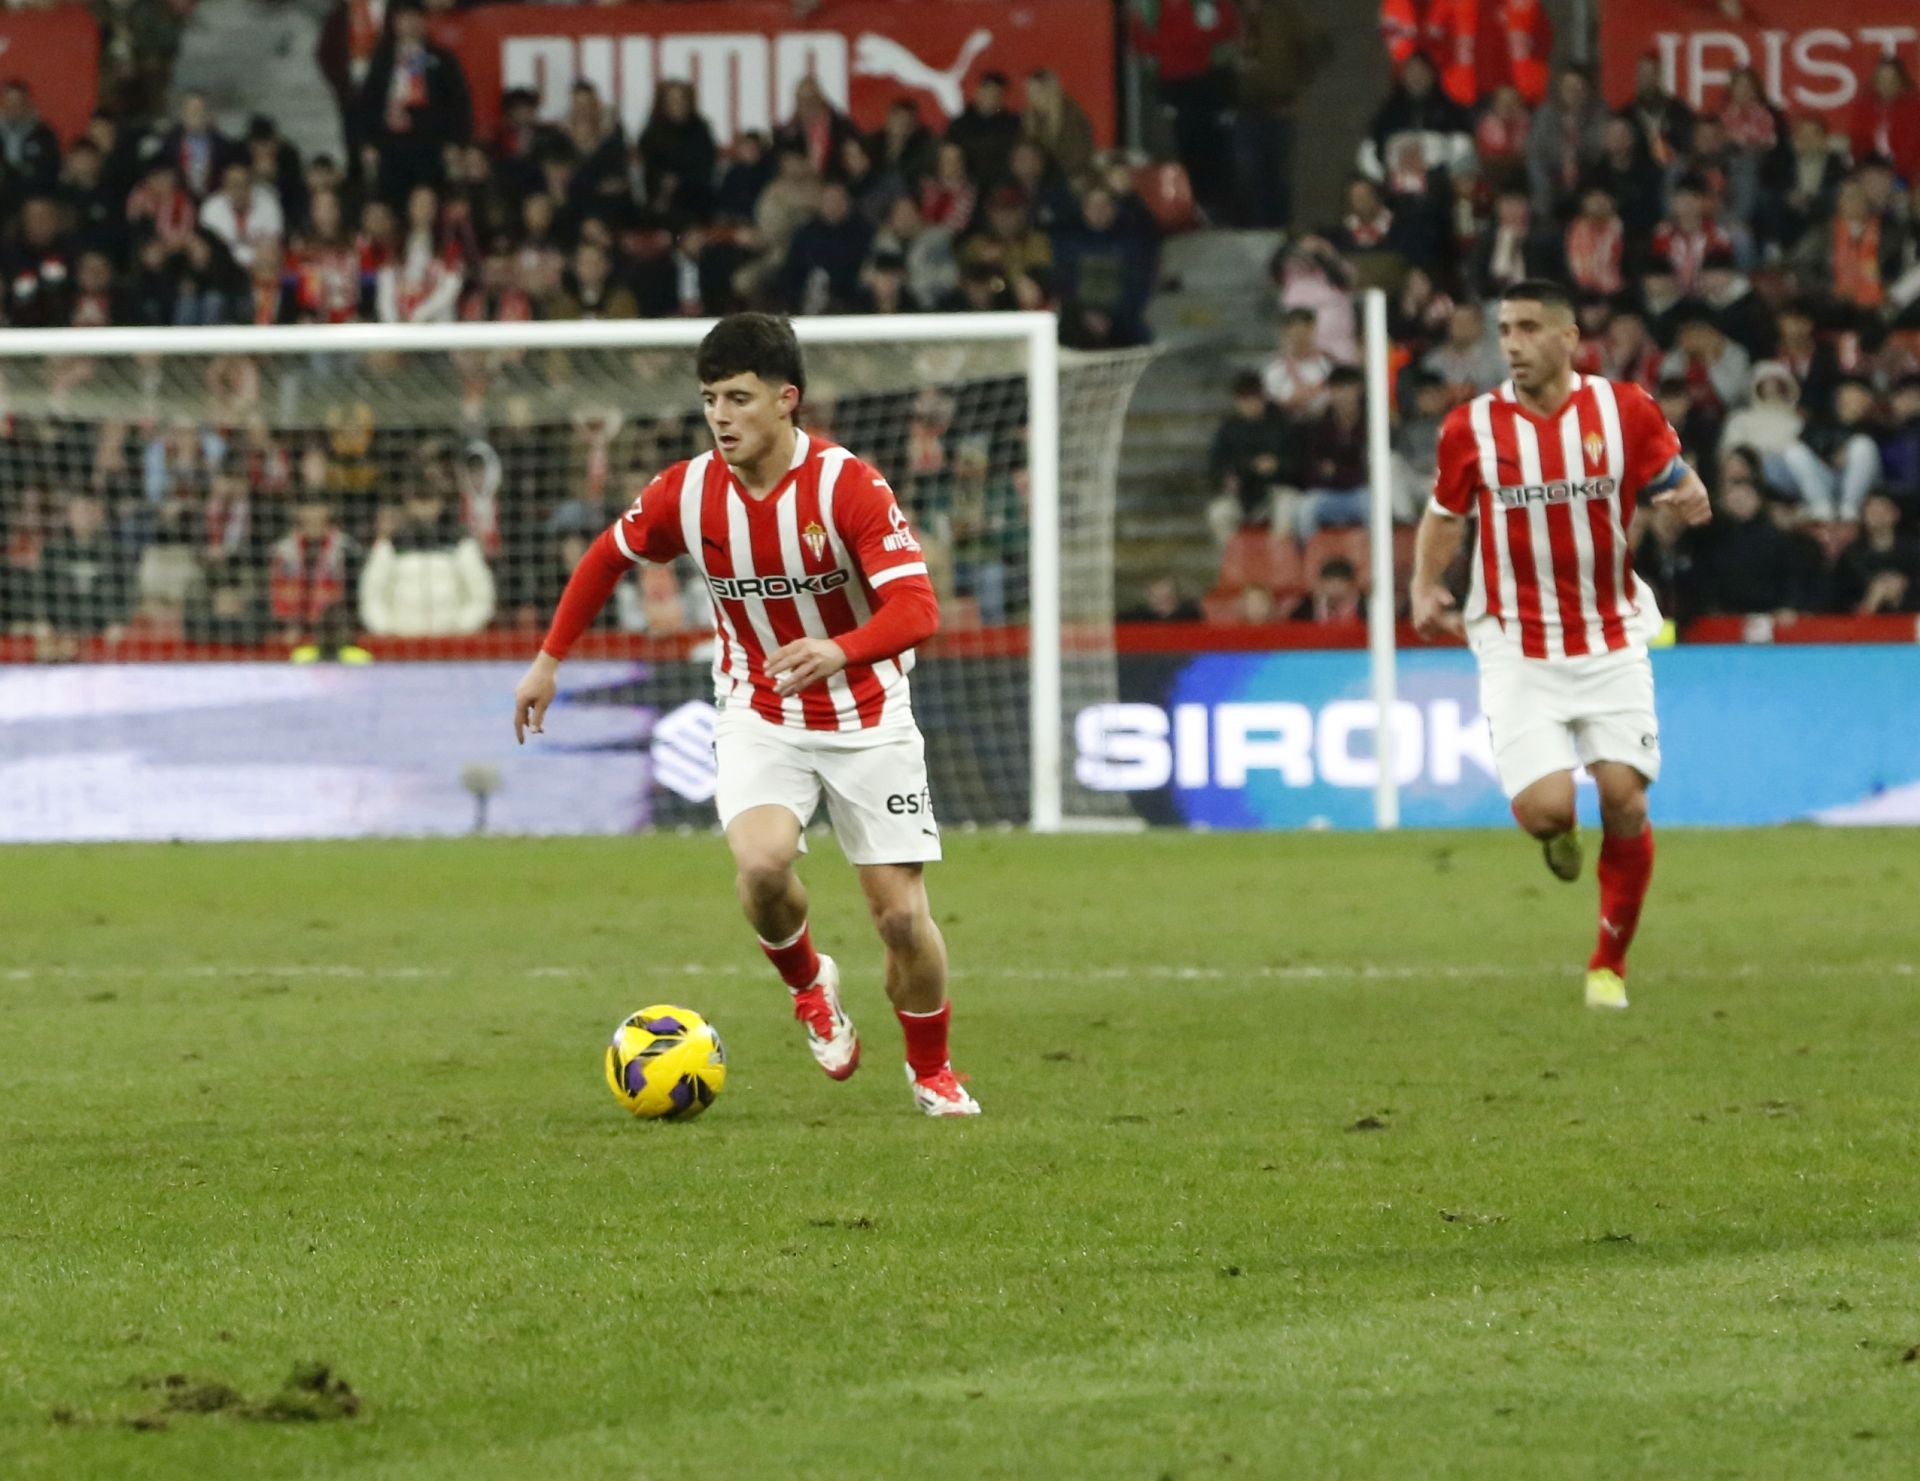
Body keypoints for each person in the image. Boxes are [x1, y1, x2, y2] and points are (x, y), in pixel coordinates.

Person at [511, 314, 979, 1118]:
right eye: (709, 400)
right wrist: (551, 656)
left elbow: (917, 606)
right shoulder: (685, 491)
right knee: (762, 868)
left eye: (739, 397)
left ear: (786, 400)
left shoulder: (849, 486)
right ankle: (810, 985)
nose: (721, 416)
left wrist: (842, 648)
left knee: (900, 917)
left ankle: (931, 1070)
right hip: (760, 709)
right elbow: (606, 555)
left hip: (869, 714)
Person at [1410, 279, 1713, 1010]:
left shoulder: (1624, 409)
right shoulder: (1471, 428)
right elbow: (1445, 515)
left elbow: (1675, 475)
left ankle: (1608, 962)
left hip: (1609, 634)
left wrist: (1693, 493)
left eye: (1527, 328)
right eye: (1504, 328)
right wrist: (1423, 586)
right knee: (1549, 809)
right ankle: (1555, 838)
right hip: (1515, 641)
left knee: (1625, 799)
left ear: (1569, 338)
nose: (1511, 342)